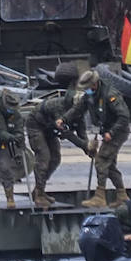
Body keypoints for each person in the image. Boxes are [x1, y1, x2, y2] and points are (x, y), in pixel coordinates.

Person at [63, 68, 131, 209]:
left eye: (87, 87)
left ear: (94, 84)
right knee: (109, 165)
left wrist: (111, 133)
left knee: (101, 161)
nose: (86, 90)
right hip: (106, 131)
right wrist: (64, 119)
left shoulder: (110, 95)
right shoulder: (90, 95)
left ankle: (100, 197)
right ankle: (122, 196)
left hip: (118, 132)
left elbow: (124, 116)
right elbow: (78, 109)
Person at [25, 63, 83, 209]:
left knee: (55, 158)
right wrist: (84, 145)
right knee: (43, 156)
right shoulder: (60, 108)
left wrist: (88, 147)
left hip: (49, 129)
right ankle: (38, 195)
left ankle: (40, 190)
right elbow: (66, 133)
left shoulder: (79, 111)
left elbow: (81, 130)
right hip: (36, 125)